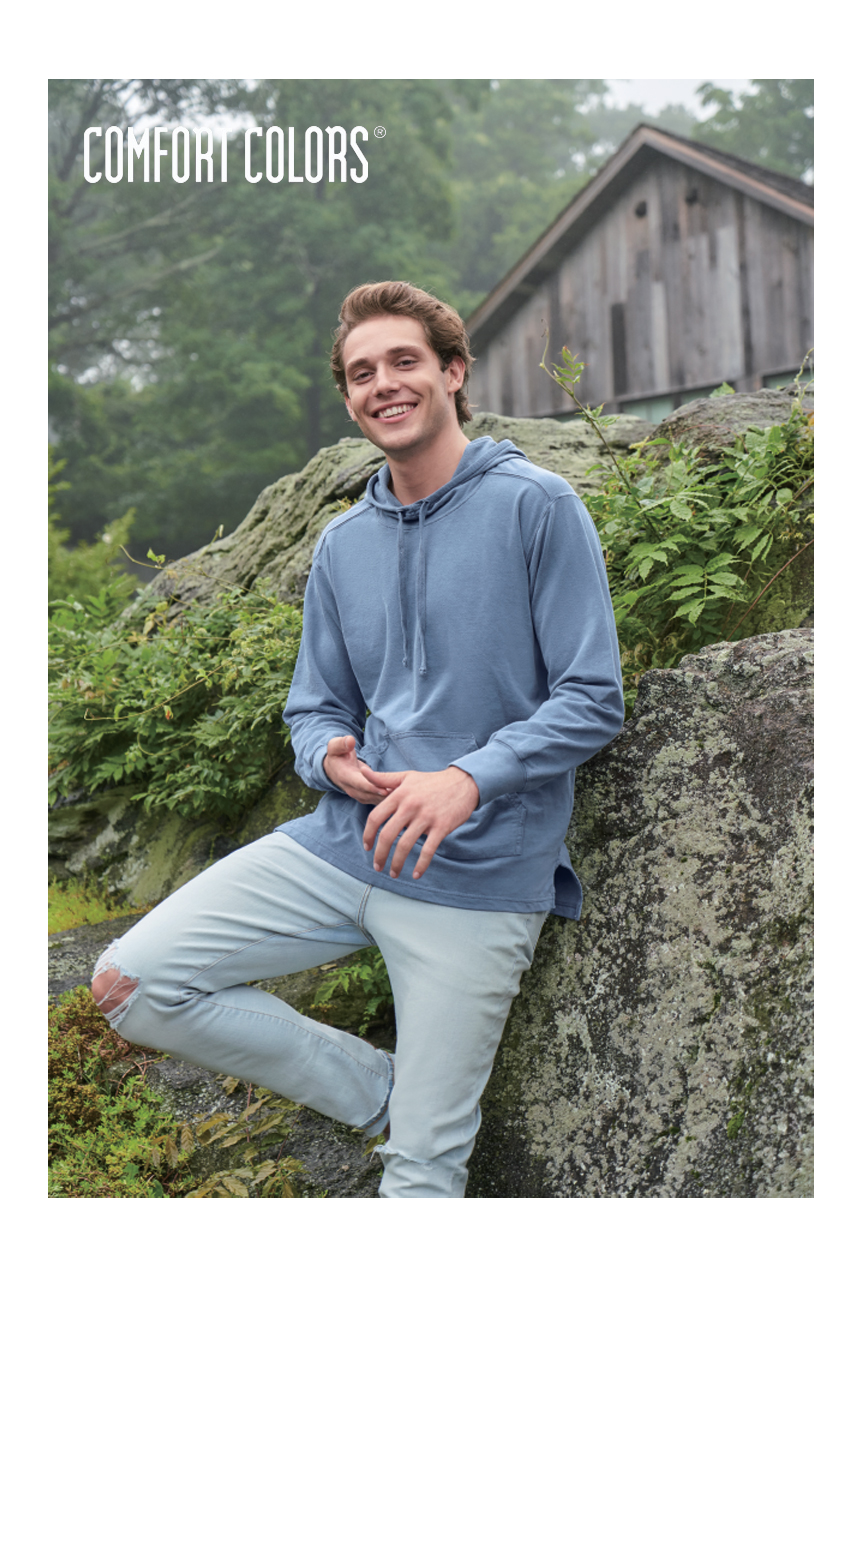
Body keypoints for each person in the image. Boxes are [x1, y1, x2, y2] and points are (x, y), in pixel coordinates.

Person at [92, 280, 625, 1198]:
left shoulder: (537, 506)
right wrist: (327, 755)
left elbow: (592, 698)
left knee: (421, 1175)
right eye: (363, 372)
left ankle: (414, 1127)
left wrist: (467, 778)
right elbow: (312, 707)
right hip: (343, 844)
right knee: (131, 985)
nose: (384, 384)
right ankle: (381, 1090)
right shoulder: (343, 545)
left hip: (478, 877)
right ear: (348, 399)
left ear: (453, 373)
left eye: (405, 361)